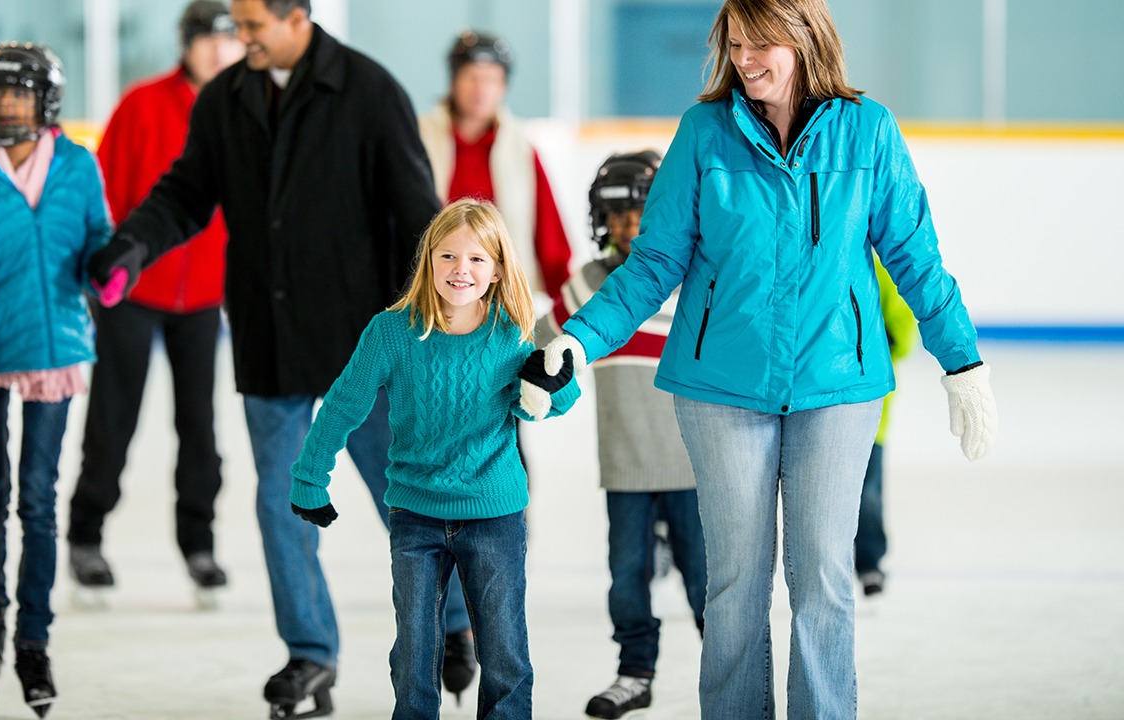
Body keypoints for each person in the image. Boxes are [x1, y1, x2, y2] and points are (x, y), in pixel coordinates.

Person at [520, 0, 999, 717]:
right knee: (736, 582)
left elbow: (915, 258)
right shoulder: (704, 132)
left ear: (806, 38)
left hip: (838, 387)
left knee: (823, 582)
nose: (745, 60)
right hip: (721, 389)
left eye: (762, 43)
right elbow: (653, 263)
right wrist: (577, 341)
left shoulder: (868, 131)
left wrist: (962, 363)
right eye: (736, 43)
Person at [81, 0, 472, 714]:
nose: (240, 37)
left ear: (297, 17)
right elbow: (185, 195)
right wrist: (132, 247)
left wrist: (450, 319)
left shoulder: (368, 89)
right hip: (270, 332)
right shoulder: (228, 98)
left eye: (254, 24)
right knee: (281, 498)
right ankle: (311, 654)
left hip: (367, 339)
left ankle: (452, 618)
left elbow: (422, 213)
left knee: (406, 490)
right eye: (235, 23)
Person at [289, 199, 580, 719]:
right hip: (415, 515)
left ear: (495, 270)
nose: (460, 270)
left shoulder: (513, 331)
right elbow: (342, 404)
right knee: (414, 651)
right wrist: (311, 476)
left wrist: (557, 386)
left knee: (504, 652)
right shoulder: (391, 332)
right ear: (427, 260)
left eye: (475, 260)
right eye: (447, 257)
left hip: (493, 514)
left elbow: (547, 400)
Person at [0, 42, 110, 718]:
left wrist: (110, 268)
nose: (8, 106)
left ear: (46, 104)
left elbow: (99, 237)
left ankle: (33, 644)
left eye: (21, 95)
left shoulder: (75, 164)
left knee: (37, 499)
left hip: (55, 352)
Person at [65, 0, 245, 605]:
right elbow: (102, 190)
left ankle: (199, 545)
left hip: (201, 298)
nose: (220, 52)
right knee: (115, 418)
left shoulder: (249, 110)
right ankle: (86, 535)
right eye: (209, 40)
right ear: (187, 44)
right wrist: (100, 267)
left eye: (231, 41)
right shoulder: (142, 104)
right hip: (131, 294)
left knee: (199, 427)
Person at [536, 150, 707, 719]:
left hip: (694, 467)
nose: (627, 228)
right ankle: (635, 673)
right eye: (616, 217)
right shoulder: (587, 288)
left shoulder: (692, 281)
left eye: (638, 214)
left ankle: (734, 675)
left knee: (708, 580)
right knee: (626, 582)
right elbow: (536, 343)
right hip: (626, 467)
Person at [418, 30, 572, 312]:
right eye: (472, 77)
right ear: (453, 81)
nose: (481, 89)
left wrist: (568, 310)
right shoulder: (420, 139)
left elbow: (550, 237)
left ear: (503, 87)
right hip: (432, 298)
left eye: (491, 79)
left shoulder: (520, 150)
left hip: (502, 303)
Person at [855, 259, 917, 596]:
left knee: (867, 491)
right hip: (814, 396)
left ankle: (869, 562)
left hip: (869, 401)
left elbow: (902, 333)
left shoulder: (879, 268)